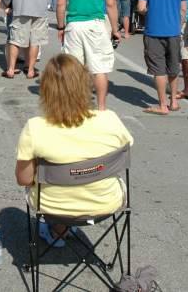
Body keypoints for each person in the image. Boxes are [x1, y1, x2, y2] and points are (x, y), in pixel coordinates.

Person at [15, 54, 133, 244]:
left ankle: (57, 233)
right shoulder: (109, 119)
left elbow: (24, 179)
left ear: (46, 90)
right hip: (105, 202)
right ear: (85, 85)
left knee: (50, 182)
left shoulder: (35, 128)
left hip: (53, 207)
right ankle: (64, 229)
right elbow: (126, 150)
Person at [56, 0, 117, 109]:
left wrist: (60, 26)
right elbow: (111, 4)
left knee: (74, 67)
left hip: (74, 24)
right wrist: (115, 28)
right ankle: (101, 107)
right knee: (99, 68)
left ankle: (75, 103)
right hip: (96, 23)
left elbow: (60, 4)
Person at [136, 0, 188, 115]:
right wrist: (178, 23)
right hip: (173, 29)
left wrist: (151, 11)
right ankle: (174, 101)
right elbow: (183, 8)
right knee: (173, 67)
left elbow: (141, 7)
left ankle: (163, 104)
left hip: (153, 29)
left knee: (158, 69)